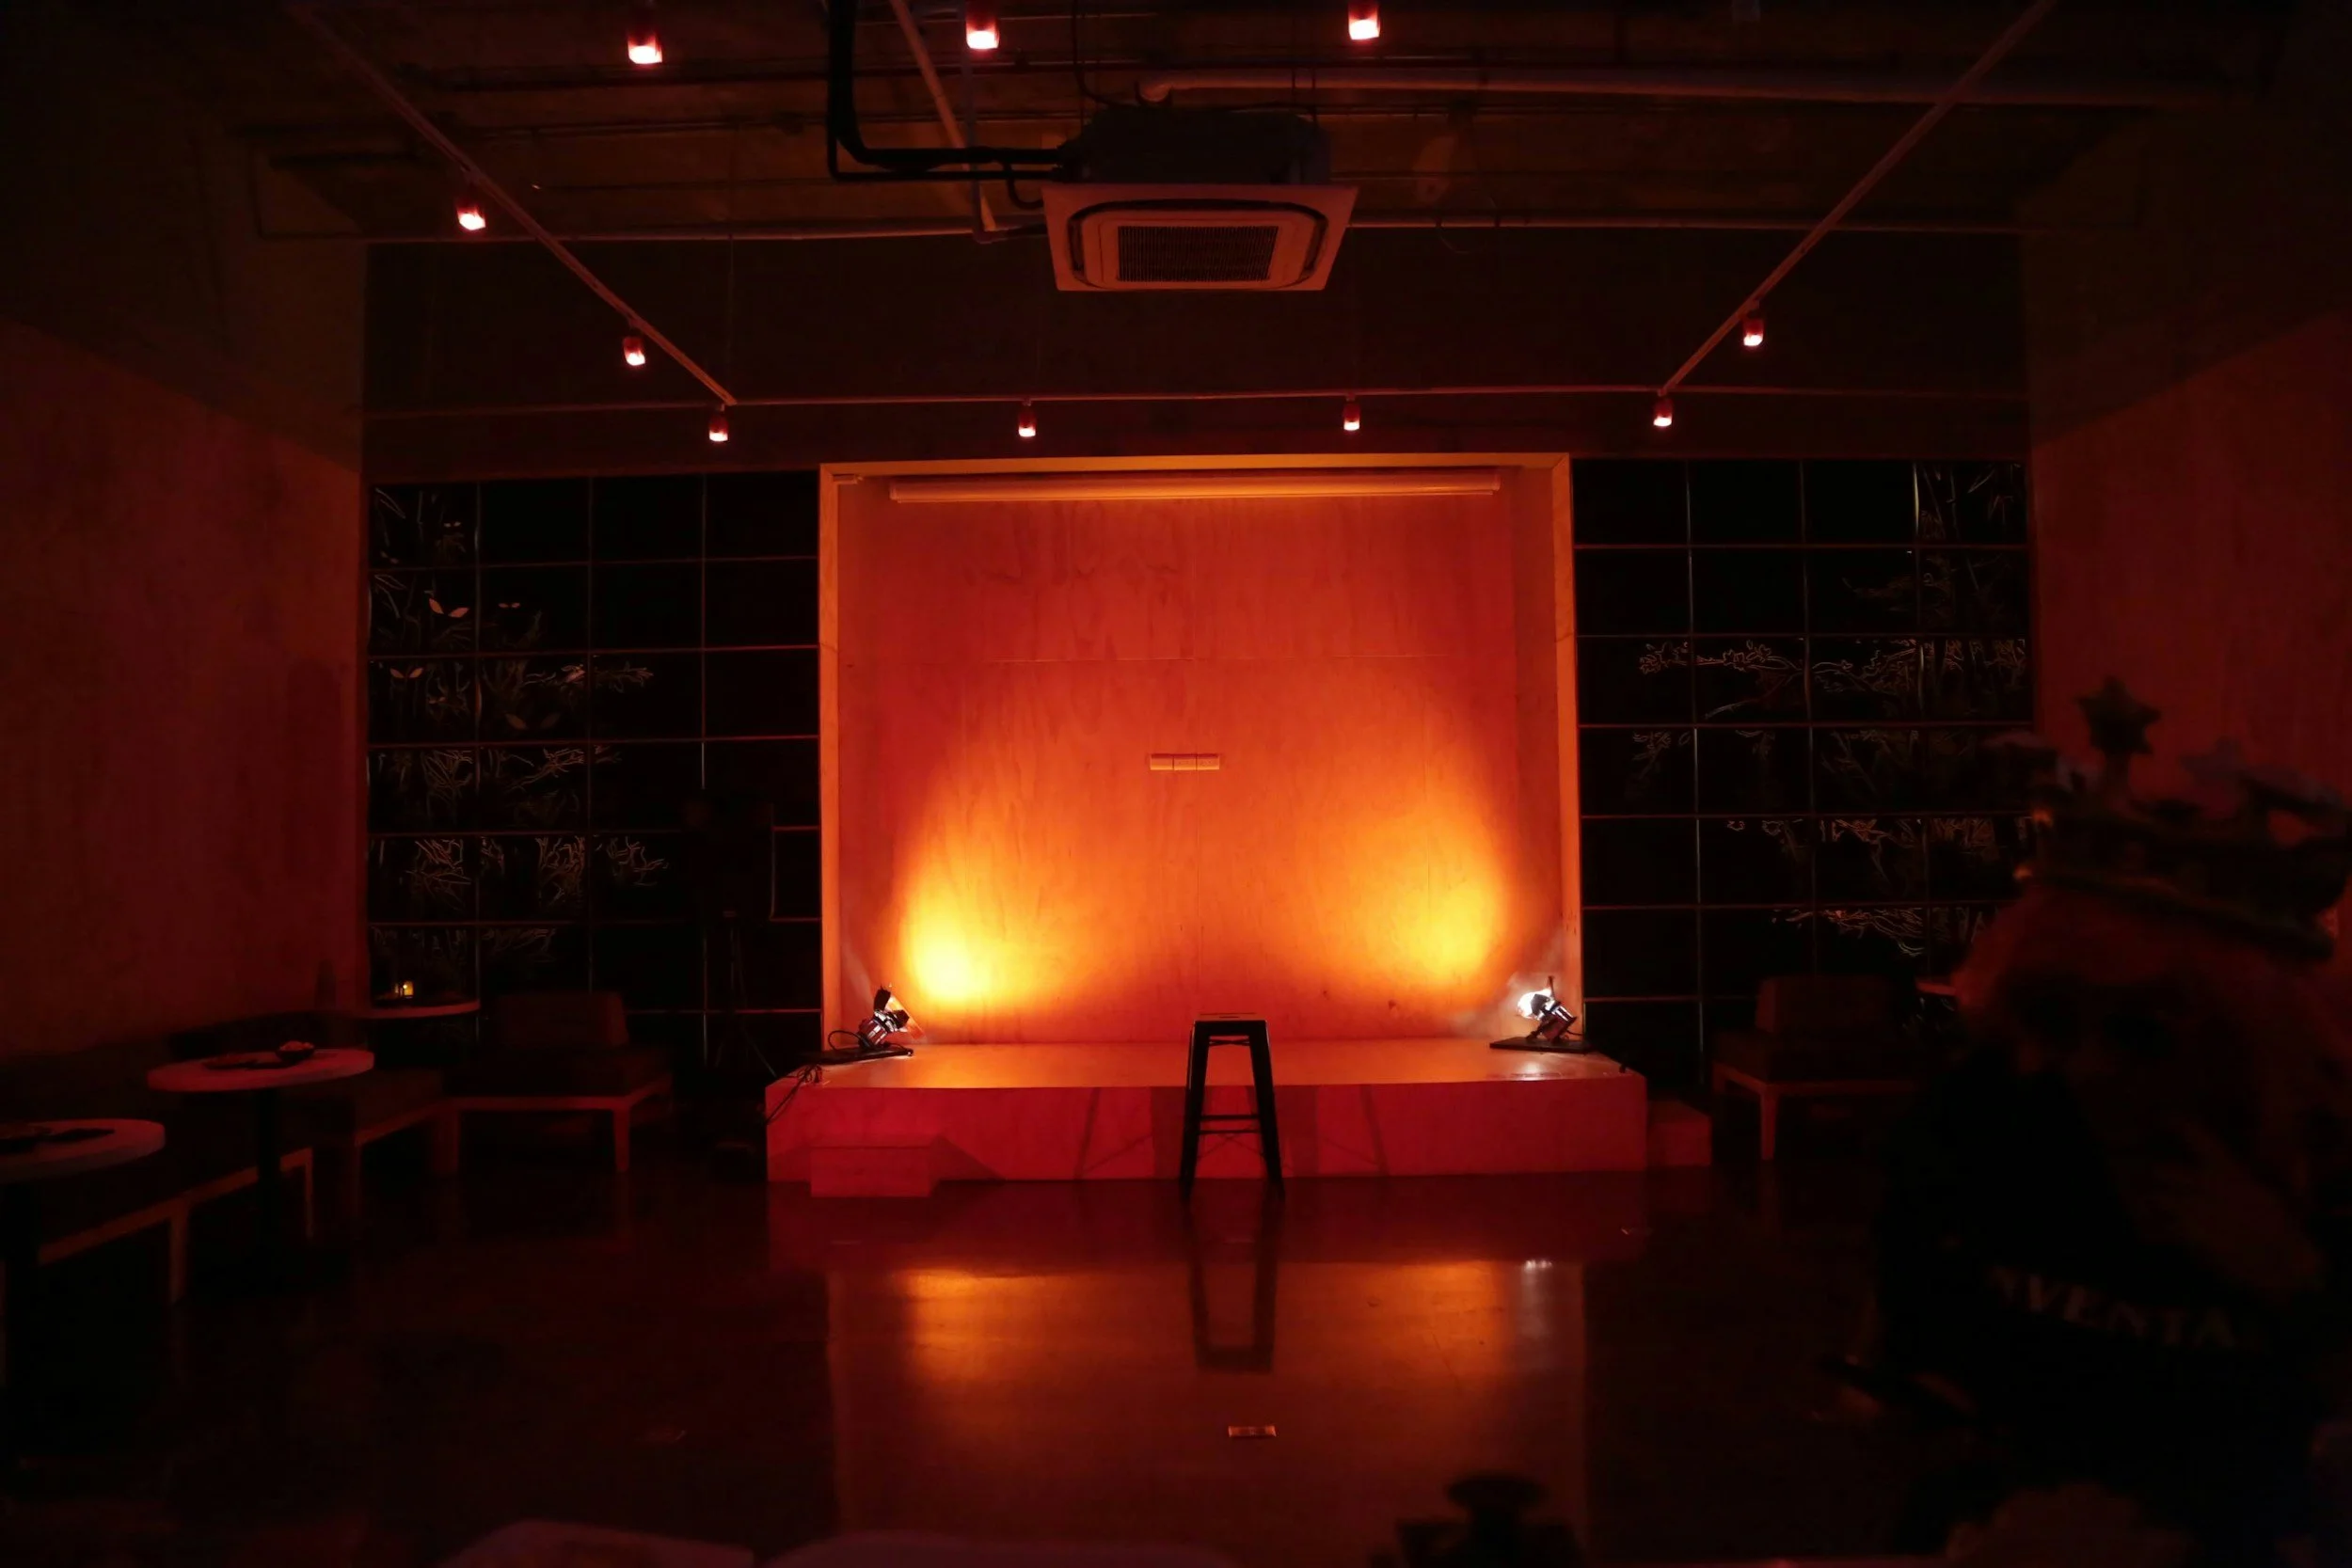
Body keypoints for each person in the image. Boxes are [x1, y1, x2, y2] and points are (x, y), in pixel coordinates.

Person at [1856, 687, 2352, 1563]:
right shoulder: (1982, 1114)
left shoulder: (2326, 1166)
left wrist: (2295, 1279)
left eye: (2141, 1030)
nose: (2081, 1064)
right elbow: (1911, 1376)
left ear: (2249, 1029)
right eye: (2049, 1015)